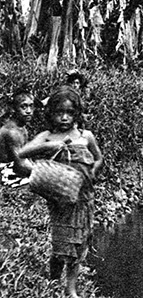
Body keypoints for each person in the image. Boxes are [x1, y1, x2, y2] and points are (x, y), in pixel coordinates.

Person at [18, 85, 103, 298]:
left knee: (79, 242)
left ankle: (70, 288)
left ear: (76, 114)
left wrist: (94, 169)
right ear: (51, 114)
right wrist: (49, 146)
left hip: (84, 197)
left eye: (69, 113)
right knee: (60, 239)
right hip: (60, 196)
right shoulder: (47, 135)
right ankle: (54, 278)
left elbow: (99, 158)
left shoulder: (86, 136)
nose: (64, 118)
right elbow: (23, 152)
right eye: (59, 113)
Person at [0, 89, 36, 185]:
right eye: (23, 107)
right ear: (13, 108)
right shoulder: (12, 131)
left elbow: (26, 155)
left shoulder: (22, 127)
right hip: (7, 170)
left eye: (31, 106)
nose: (28, 111)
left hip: (16, 165)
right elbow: (21, 164)